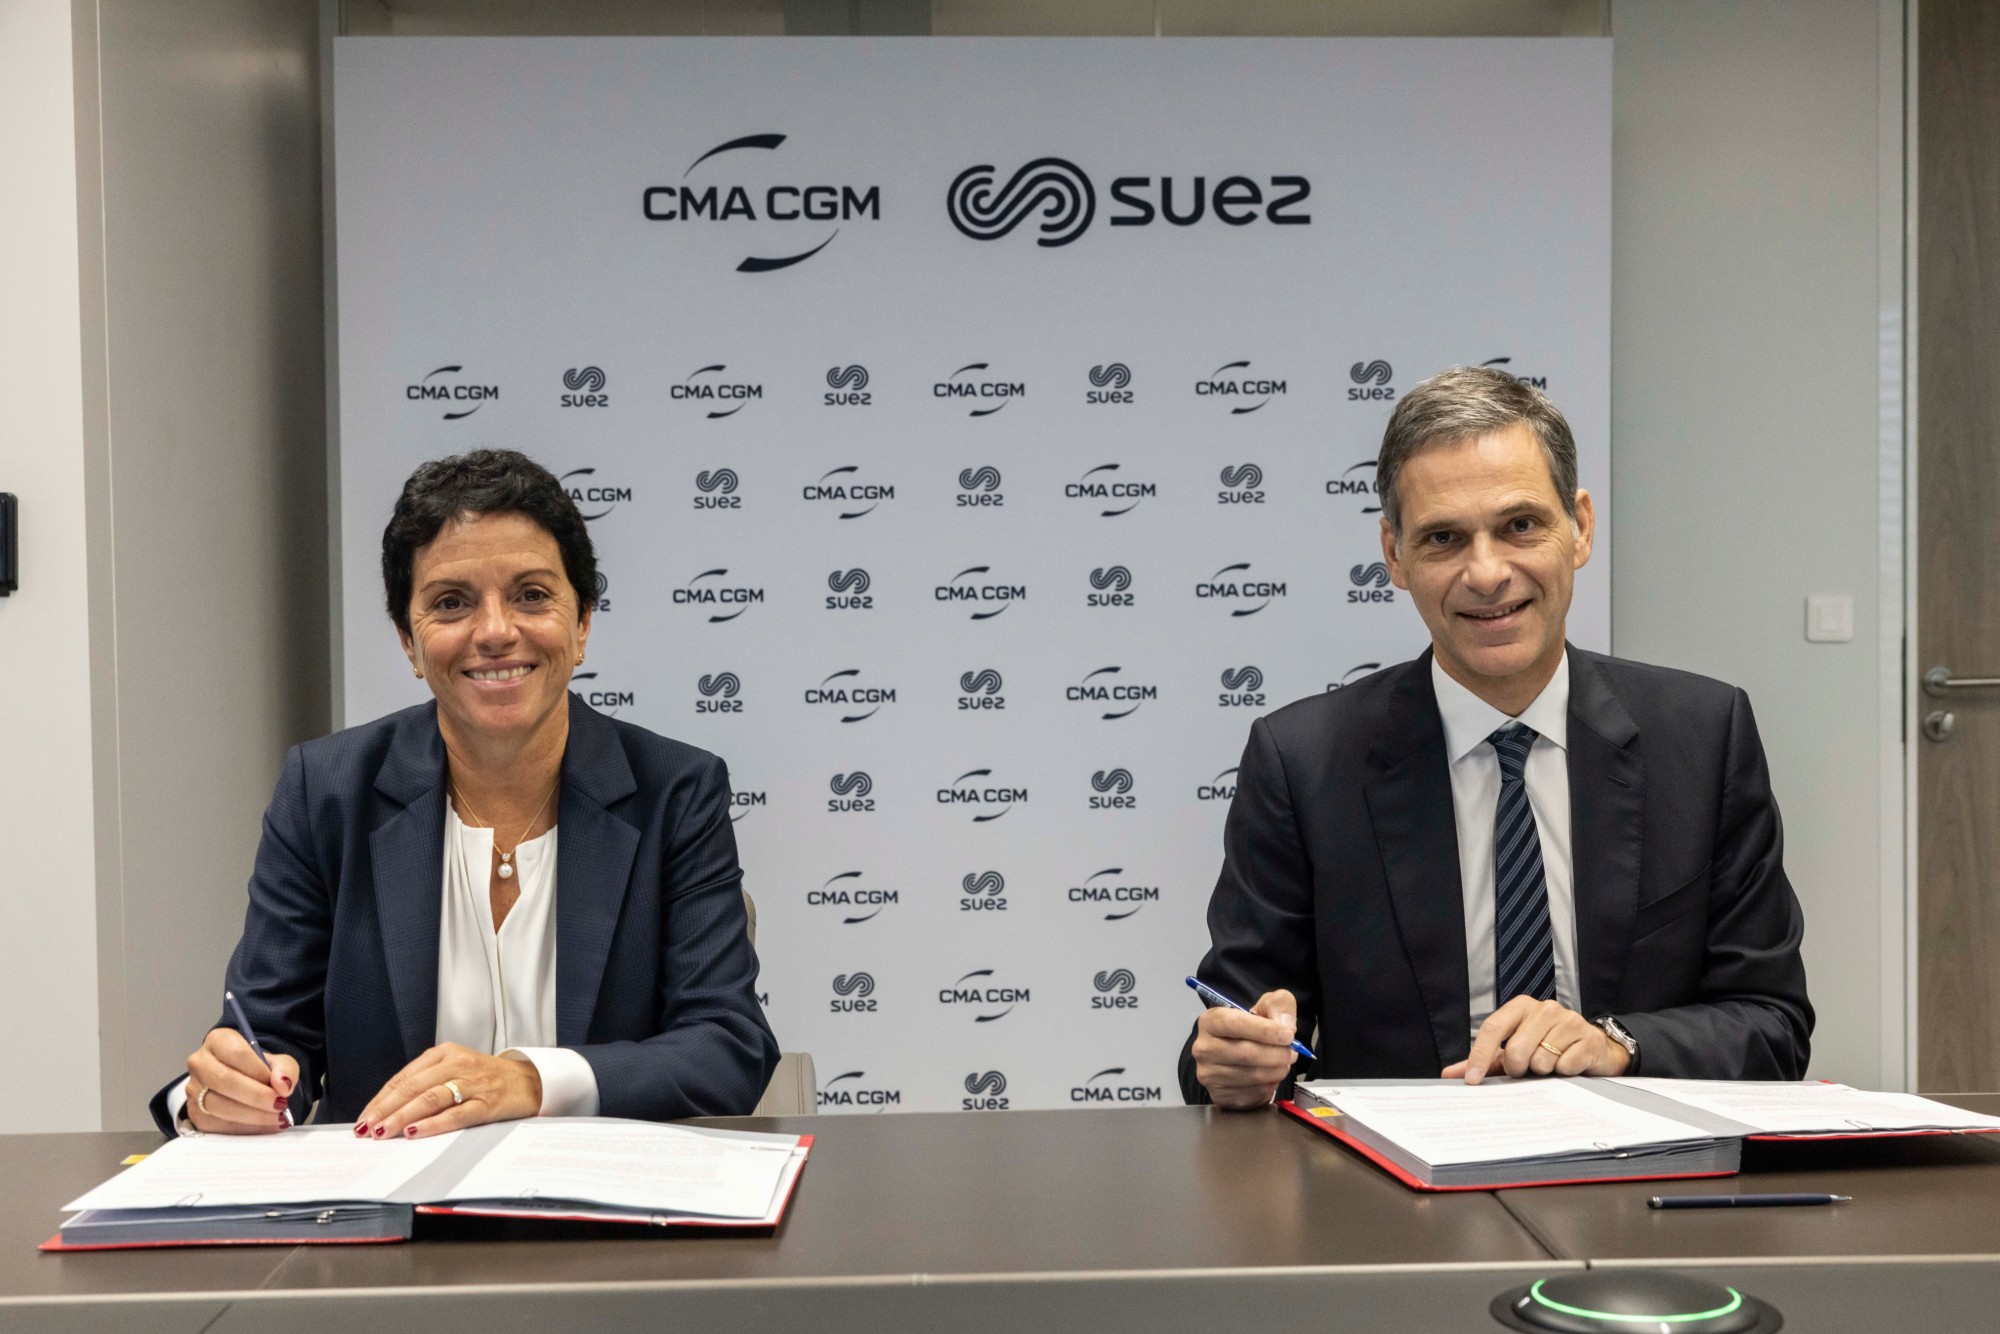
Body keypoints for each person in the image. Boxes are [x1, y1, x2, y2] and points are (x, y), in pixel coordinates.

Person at [1181, 366, 1812, 1109]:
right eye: (1444, 538)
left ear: (1580, 527)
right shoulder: (1302, 762)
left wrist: (1618, 1042)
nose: (1486, 574)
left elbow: (1772, 1025)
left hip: (1641, 1160)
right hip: (1392, 1174)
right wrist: (1236, 1064)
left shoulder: (1703, 736)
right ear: (1394, 555)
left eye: (1520, 526)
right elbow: (1230, 1035)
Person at [152, 449, 778, 1138]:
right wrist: (229, 1094)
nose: (496, 631)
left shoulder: (675, 791)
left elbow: (725, 1046)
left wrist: (530, 1080)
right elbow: (268, 1039)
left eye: (531, 595)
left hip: (599, 1198)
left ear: (582, 624)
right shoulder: (325, 792)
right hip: (386, 1193)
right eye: (451, 603)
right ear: (409, 643)